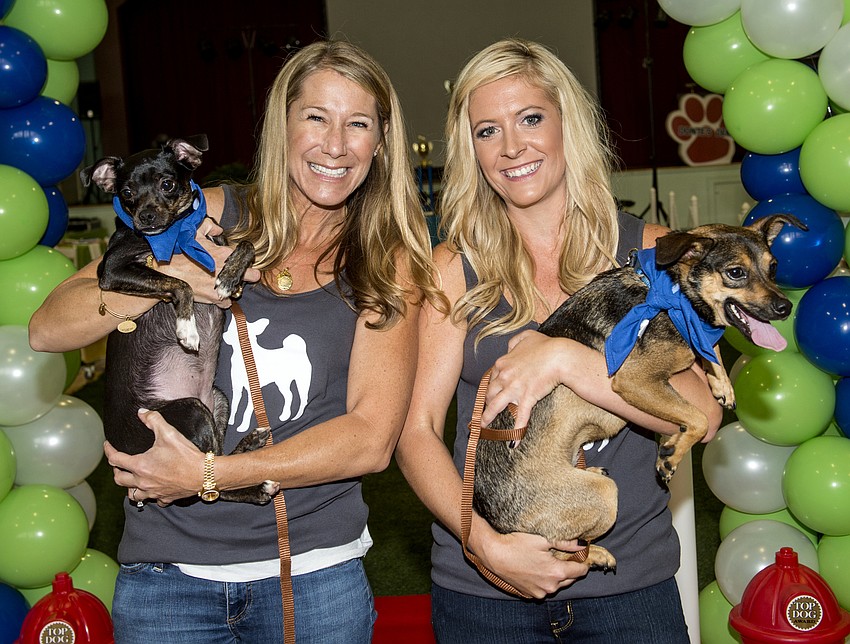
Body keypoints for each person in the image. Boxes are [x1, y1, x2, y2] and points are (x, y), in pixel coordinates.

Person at [29, 40, 445, 644]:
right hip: (168, 577)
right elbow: (50, 327)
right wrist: (179, 276)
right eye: (315, 117)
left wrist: (208, 474)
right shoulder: (207, 212)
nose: (335, 144)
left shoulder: (387, 263)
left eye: (358, 124)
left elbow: (369, 439)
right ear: (283, 126)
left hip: (314, 576)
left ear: (380, 142)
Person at [395, 38, 723, 643]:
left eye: (530, 119)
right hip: (484, 593)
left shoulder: (651, 253)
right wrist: (484, 545)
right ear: (471, 150)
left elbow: (700, 415)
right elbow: (416, 431)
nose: (512, 147)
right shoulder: (452, 269)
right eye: (487, 130)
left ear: (567, 123)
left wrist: (566, 358)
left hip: (628, 589)